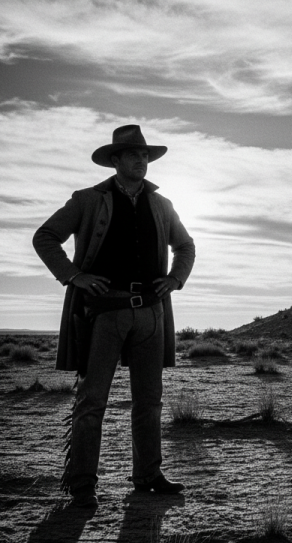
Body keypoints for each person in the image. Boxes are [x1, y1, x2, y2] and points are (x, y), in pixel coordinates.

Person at [33, 124, 196, 508]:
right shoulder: (88, 200)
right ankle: (83, 484)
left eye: (145, 156)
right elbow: (45, 237)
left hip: (150, 314)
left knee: (149, 400)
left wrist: (174, 278)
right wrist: (75, 275)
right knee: (92, 400)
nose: (141, 161)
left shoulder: (162, 205)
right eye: (133, 155)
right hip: (104, 314)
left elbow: (186, 246)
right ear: (116, 160)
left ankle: (148, 475)